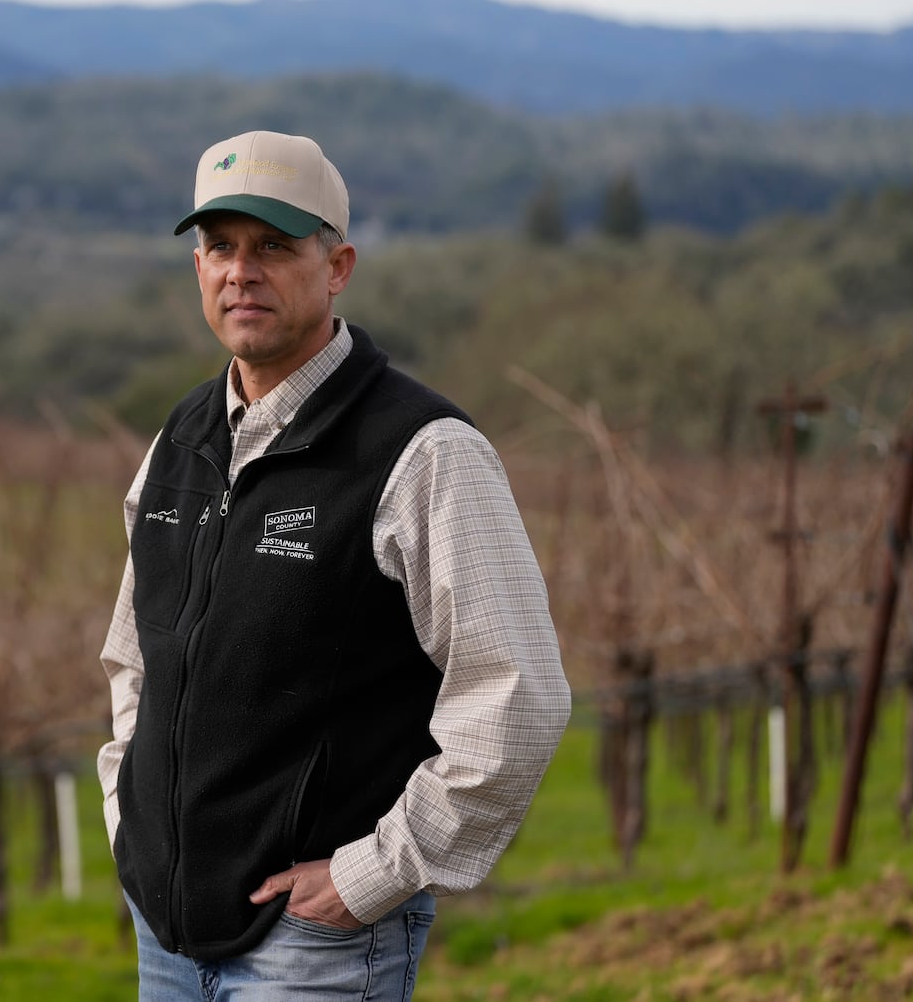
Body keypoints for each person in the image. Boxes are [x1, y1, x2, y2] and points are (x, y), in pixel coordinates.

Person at [96, 129, 571, 1000]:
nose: (241, 270)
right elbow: (138, 656)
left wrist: (374, 874)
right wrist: (129, 811)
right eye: (219, 247)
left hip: (309, 947)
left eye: (274, 245)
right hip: (163, 929)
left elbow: (519, 694)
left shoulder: (424, 451)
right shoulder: (181, 439)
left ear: (338, 263)